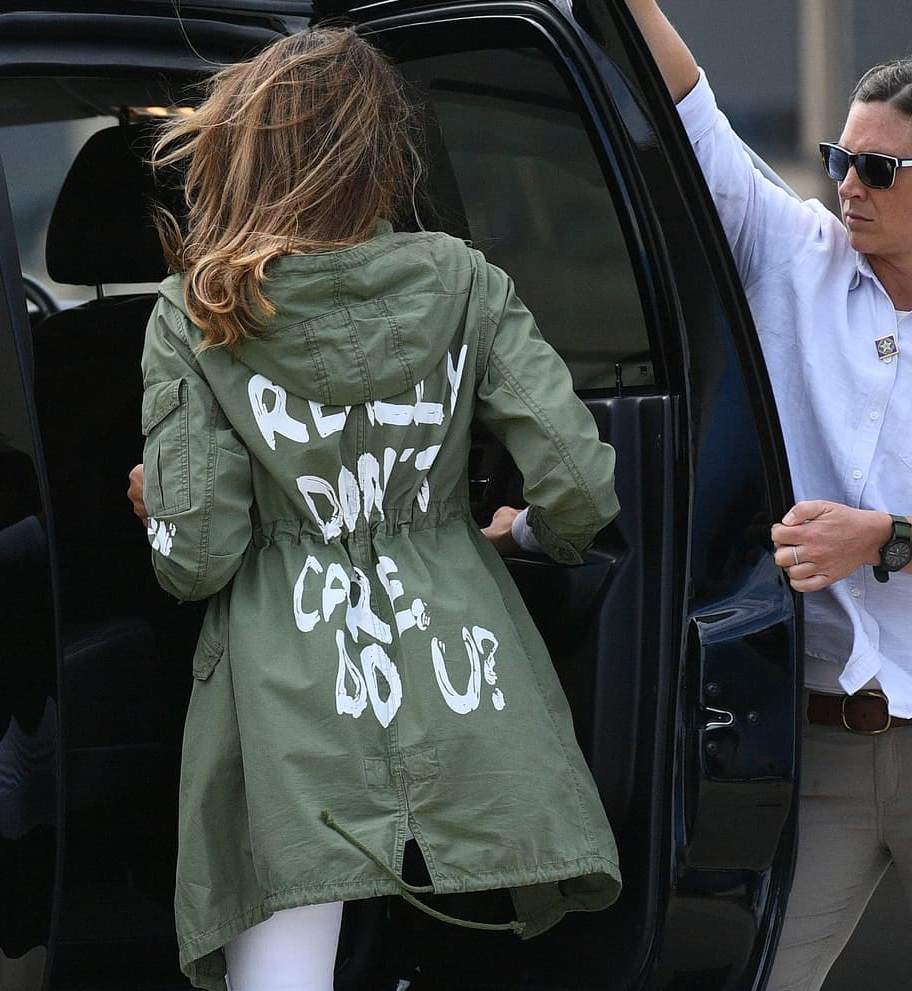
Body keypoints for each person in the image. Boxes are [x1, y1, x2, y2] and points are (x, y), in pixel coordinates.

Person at [130, 27, 621, 991]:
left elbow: (197, 558)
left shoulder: (196, 309)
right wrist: (528, 533)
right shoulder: (463, 280)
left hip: (288, 703)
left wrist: (158, 506)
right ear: (379, 150)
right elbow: (581, 490)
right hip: (463, 679)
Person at [624, 4, 912, 990]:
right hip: (812, 746)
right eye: (840, 154)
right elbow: (687, 101)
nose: (845, 183)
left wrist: (879, 538)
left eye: (877, 168)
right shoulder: (792, 254)